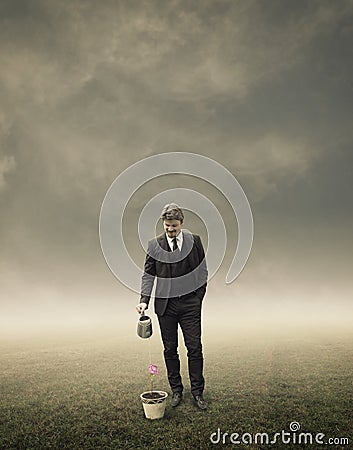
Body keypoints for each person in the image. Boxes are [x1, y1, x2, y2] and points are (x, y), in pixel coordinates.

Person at [136, 203, 208, 410]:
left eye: (174, 226)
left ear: (182, 223)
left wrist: (198, 298)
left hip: (190, 305)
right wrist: (143, 300)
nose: (170, 230)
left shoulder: (195, 241)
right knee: (170, 349)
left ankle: (197, 393)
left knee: (194, 348)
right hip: (165, 307)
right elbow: (148, 275)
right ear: (163, 224)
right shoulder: (154, 245)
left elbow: (202, 272)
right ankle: (176, 390)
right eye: (167, 226)